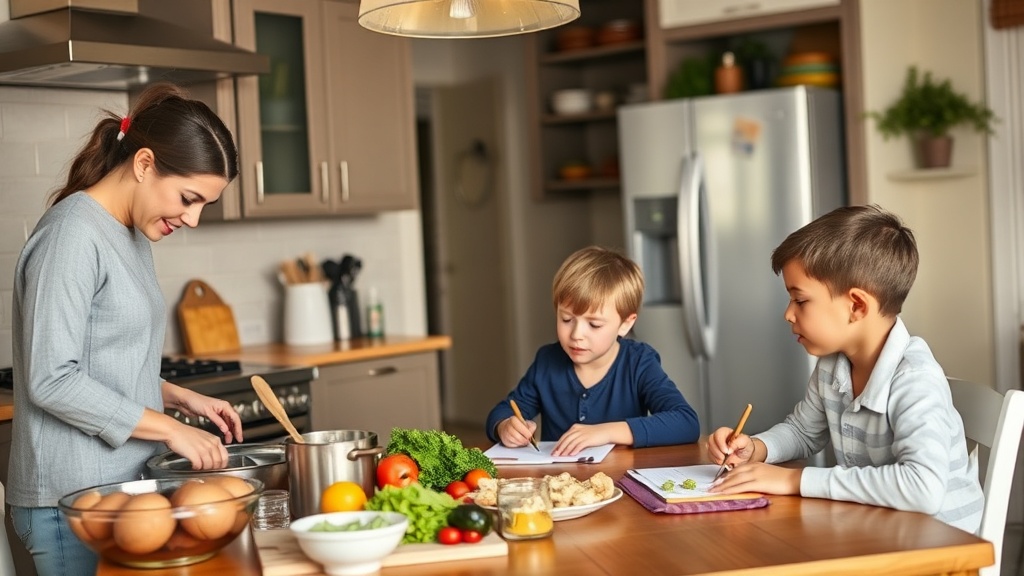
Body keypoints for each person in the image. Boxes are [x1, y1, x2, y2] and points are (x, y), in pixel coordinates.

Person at [9, 83, 246, 575]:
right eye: (189, 197)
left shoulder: (128, 232)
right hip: (70, 501)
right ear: (143, 164)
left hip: (122, 491)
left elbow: (104, 361)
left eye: (205, 204)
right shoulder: (72, 236)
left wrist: (181, 398)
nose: (194, 218)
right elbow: (52, 378)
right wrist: (171, 430)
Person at [706, 205, 984, 534]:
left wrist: (795, 480)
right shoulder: (833, 366)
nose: (788, 314)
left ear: (857, 306)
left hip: (940, 553)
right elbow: (802, 432)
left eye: (800, 300)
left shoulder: (914, 379)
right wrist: (756, 448)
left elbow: (922, 487)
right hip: (877, 532)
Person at [485, 246, 699, 457]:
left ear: (625, 324)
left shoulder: (639, 362)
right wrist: (505, 427)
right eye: (566, 319)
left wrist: (606, 432)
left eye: (594, 325)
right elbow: (504, 411)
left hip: (621, 482)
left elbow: (686, 422)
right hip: (559, 484)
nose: (577, 334)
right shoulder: (547, 361)